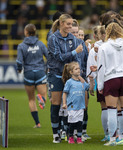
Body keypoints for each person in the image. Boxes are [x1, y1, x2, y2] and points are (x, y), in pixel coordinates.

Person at [47, 13, 83, 143]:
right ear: (61, 24)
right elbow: (59, 57)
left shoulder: (72, 39)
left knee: (69, 105)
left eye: (71, 24)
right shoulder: (53, 38)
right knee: (56, 104)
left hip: (70, 78)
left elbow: (76, 59)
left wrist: (79, 72)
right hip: (56, 74)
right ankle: (55, 134)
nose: (70, 26)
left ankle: (67, 132)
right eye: (68, 24)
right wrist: (74, 52)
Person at [97, 22, 123, 146]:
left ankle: (112, 139)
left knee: (111, 110)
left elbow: (101, 67)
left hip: (111, 78)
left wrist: (100, 85)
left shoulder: (104, 47)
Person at [16, 23, 48, 128]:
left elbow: (19, 61)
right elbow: (48, 56)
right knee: (44, 96)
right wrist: (47, 68)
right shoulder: (40, 44)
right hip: (40, 72)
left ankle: (37, 123)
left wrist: (19, 69)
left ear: (26, 32)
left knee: (31, 99)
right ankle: (42, 98)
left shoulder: (21, 46)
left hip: (28, 73)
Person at [62, 62, 90, 144]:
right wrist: (64, 103)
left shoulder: (82, 82)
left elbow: (89, 88)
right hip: (72, 107)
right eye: (76, 69)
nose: (79, 70)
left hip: (80, 106)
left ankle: (79, 137)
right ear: (71, 72)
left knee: (79, 123)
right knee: (72, 123)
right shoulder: (69, 82)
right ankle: (70, 137)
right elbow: (65, 93)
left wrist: (91, 80)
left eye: (79, 69)